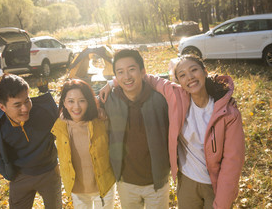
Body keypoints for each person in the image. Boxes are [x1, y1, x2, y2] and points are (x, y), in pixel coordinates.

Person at [100, 54, 245, 209]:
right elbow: (143, 79)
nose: (189, 77)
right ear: (178, 81)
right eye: (182, 75)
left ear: (205, 71)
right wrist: (112, 82)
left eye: (194, 70)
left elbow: (233, 161)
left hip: (215, 183)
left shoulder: (227, 112)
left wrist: (222, 203)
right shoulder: (177, 97)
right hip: (186, 180)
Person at [102, 49, 170, 209]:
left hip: (157, 183)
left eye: (131, 69)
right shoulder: (109, 101)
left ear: (142, 71)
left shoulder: (160, 100)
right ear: (116, 77)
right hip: (125, 183)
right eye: (120, 72)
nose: (126, 76)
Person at [0, 74, 61, 209]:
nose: (25, 108)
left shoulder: (46, 110)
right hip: (20, 176)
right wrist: (8, 175)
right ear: (2, 107)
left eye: (27, 100)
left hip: (49, 172)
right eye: (17, 105)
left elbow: (75, 110)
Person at [51, 79, 115, 209]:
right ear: (64, 102)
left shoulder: (101, 121)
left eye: (82, 100)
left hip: (103, 186)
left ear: (89, 102)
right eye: (71, 101)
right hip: (77, 189)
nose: (76, 107)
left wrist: (111, 84)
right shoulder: (60, 127)